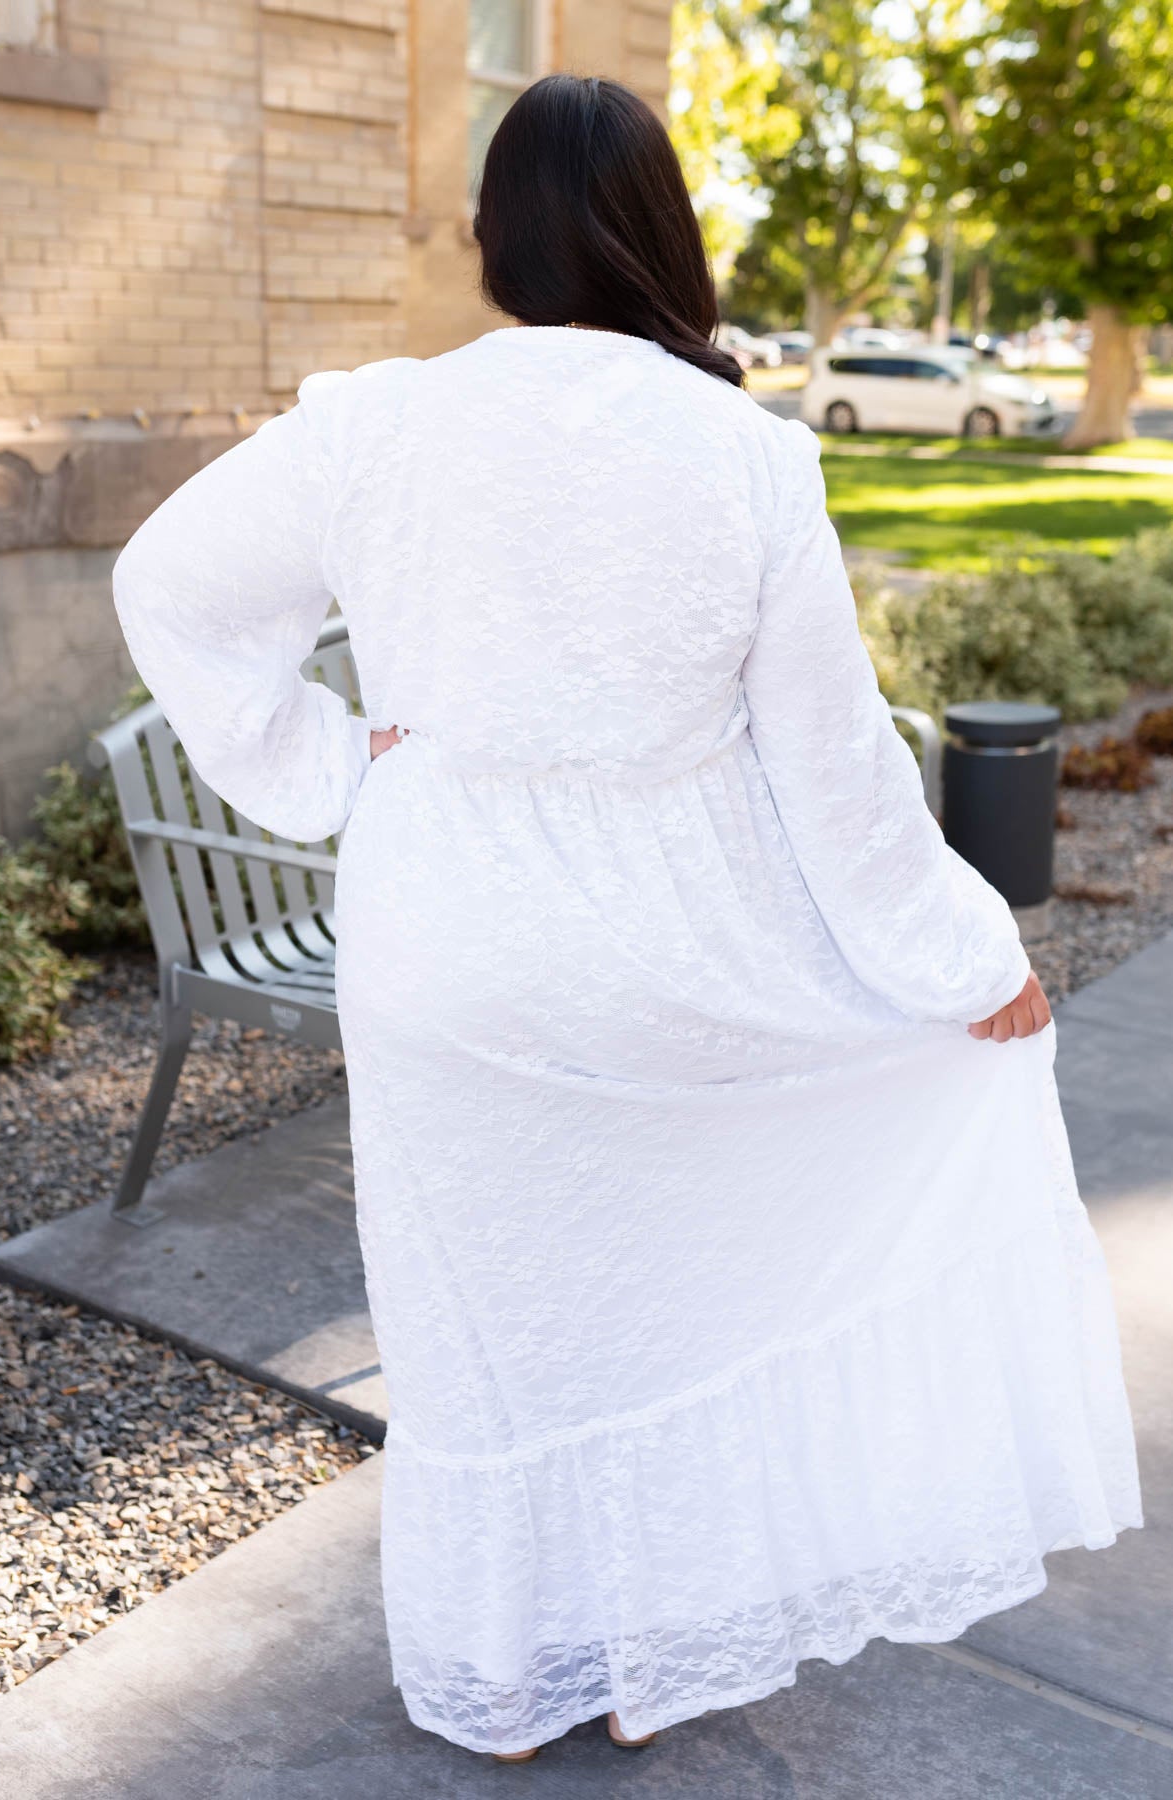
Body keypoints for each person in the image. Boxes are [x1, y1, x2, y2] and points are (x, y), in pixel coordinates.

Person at [110, 72, 1141, 1764]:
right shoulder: (740, 453)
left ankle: (498, 1687)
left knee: (479, 1338)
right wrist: (967, 964)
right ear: (668, 236)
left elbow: (166, 582)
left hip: (442, 933)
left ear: (487, 238)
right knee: (661, 1299)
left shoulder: (375, 423)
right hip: (663, 948)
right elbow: (832, 773)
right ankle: (630, 1653)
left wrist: (327, 761)